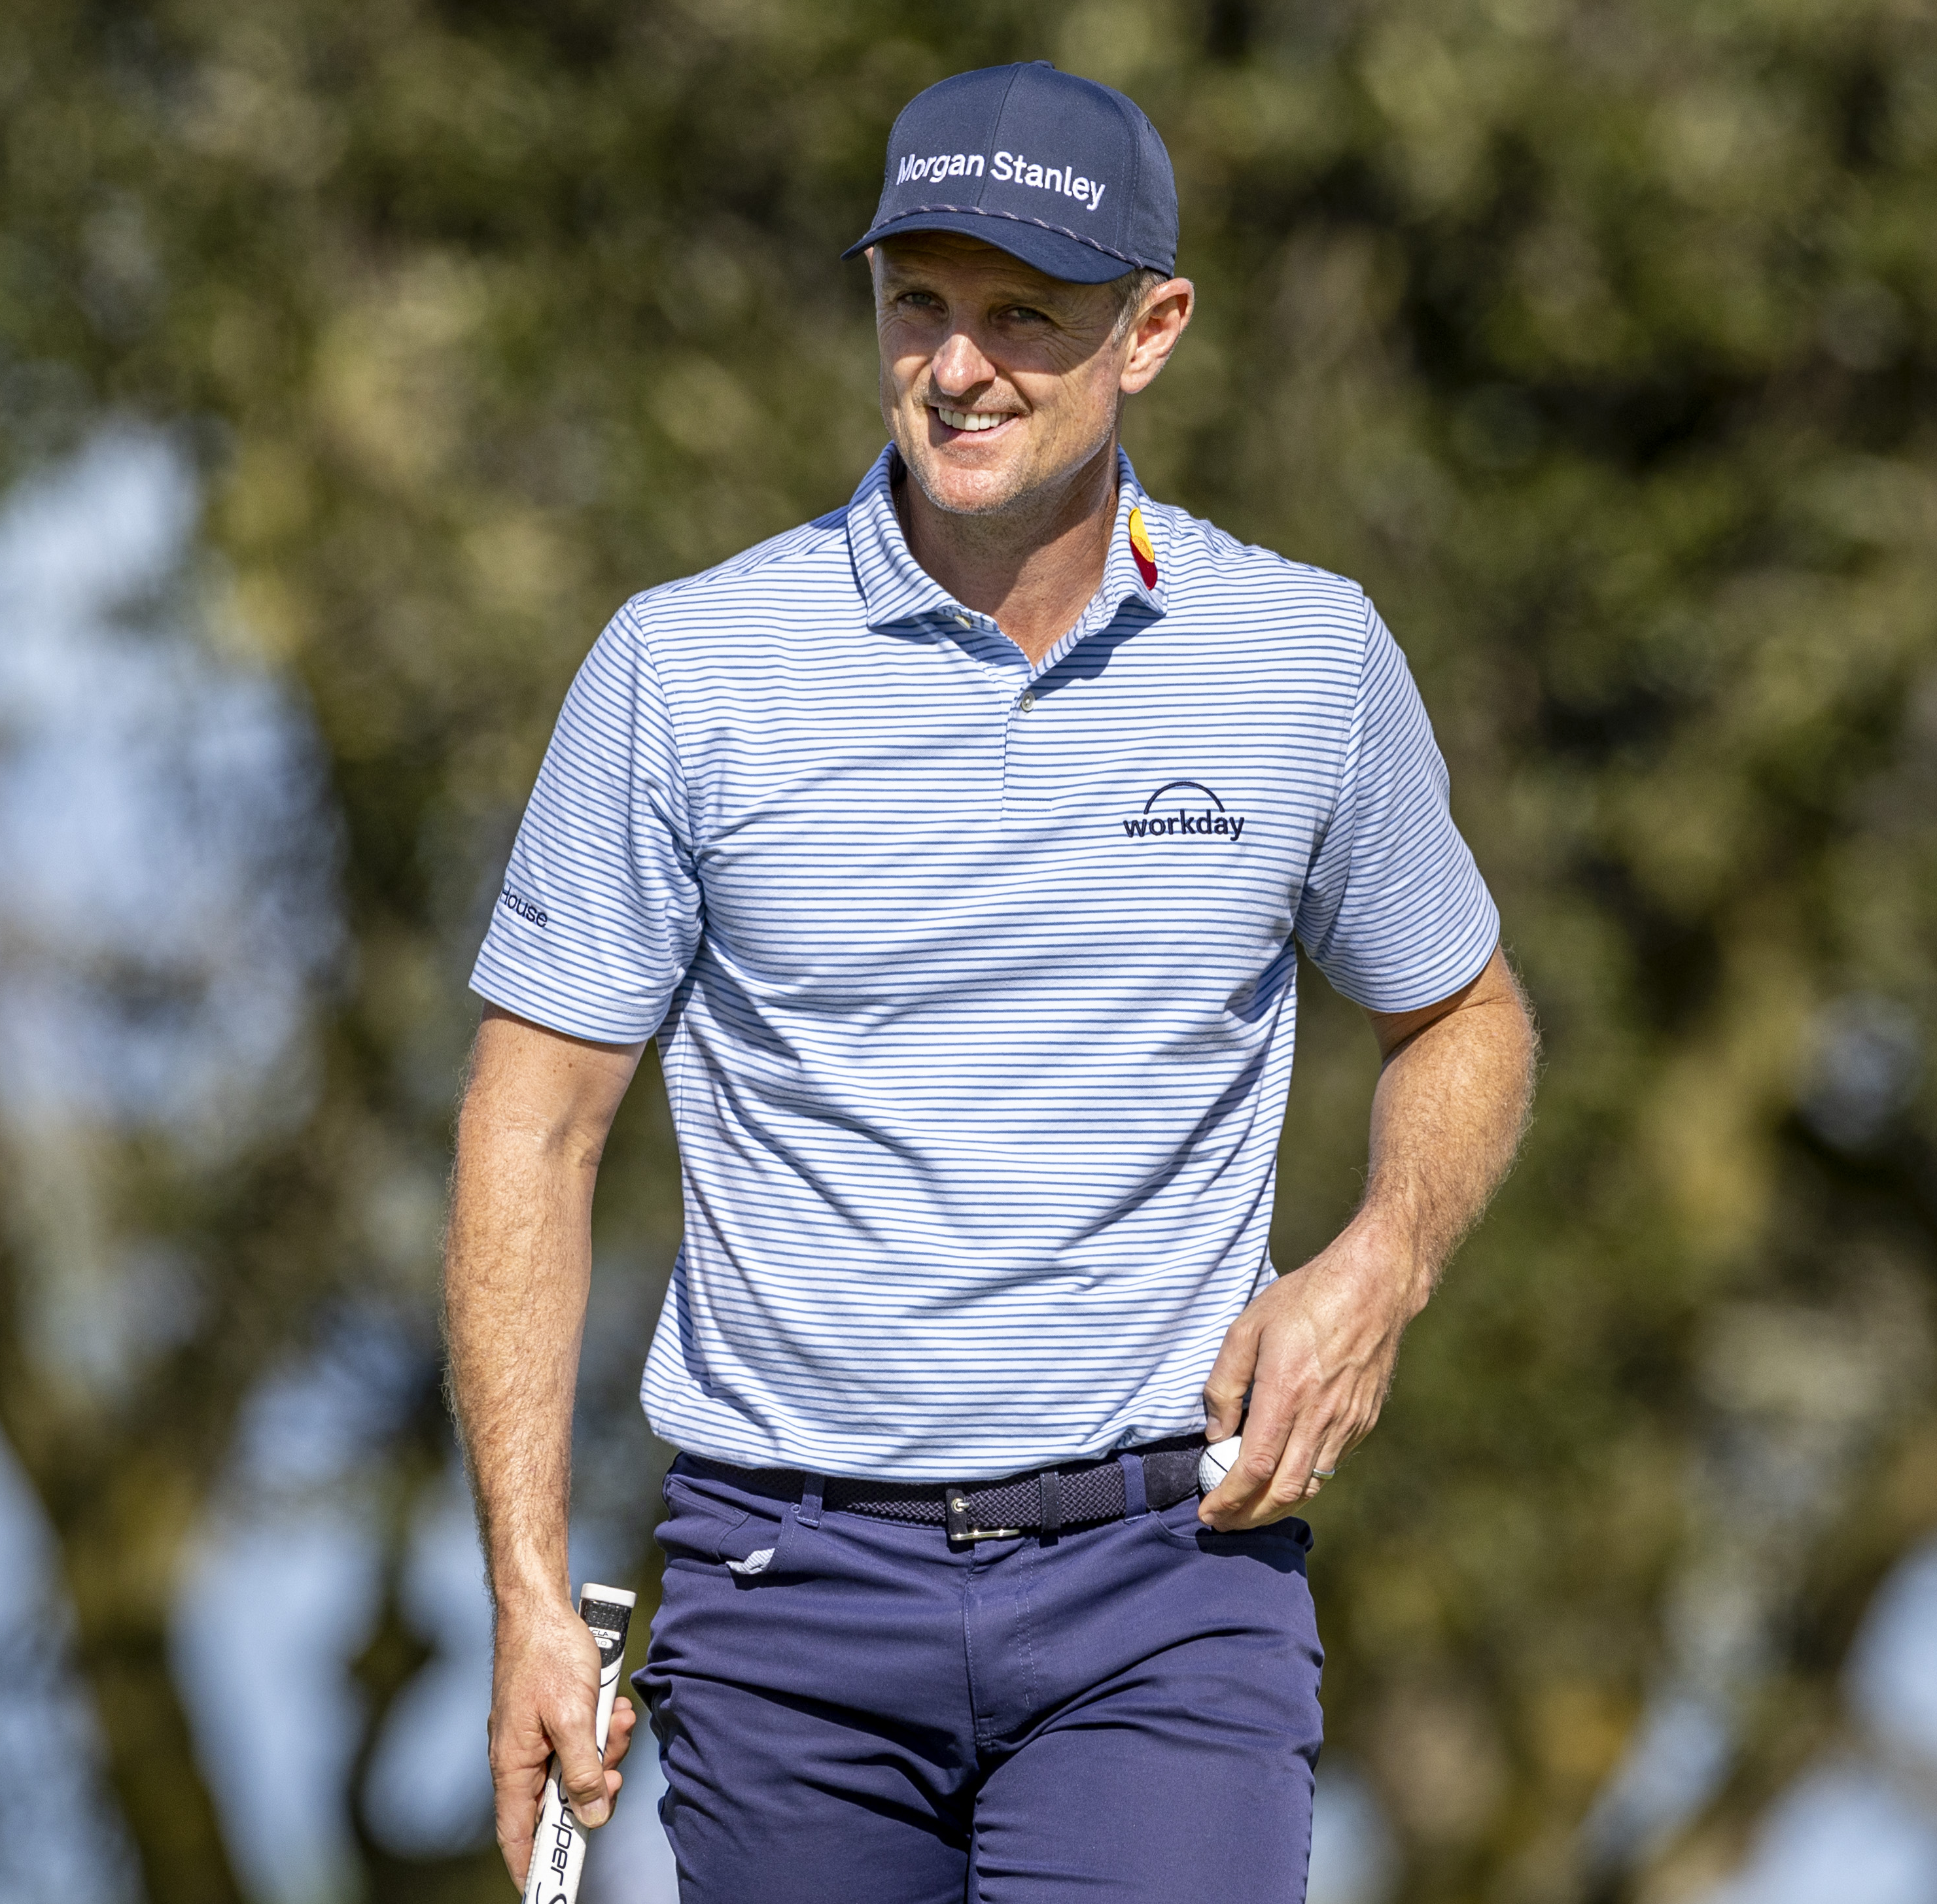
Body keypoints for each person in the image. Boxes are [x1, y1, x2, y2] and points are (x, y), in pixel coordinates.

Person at [445, 59, 1536, 1903]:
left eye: (1027, 314)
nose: (959, 367)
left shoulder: (1301, 660)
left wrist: (1382, 1266)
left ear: (1154, 329)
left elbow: (1466, 1019)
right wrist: (532, 1598)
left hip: (1161, 1584)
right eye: (920, 305)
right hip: (784, 1598)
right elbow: (531, 1127)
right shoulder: (686, 670)